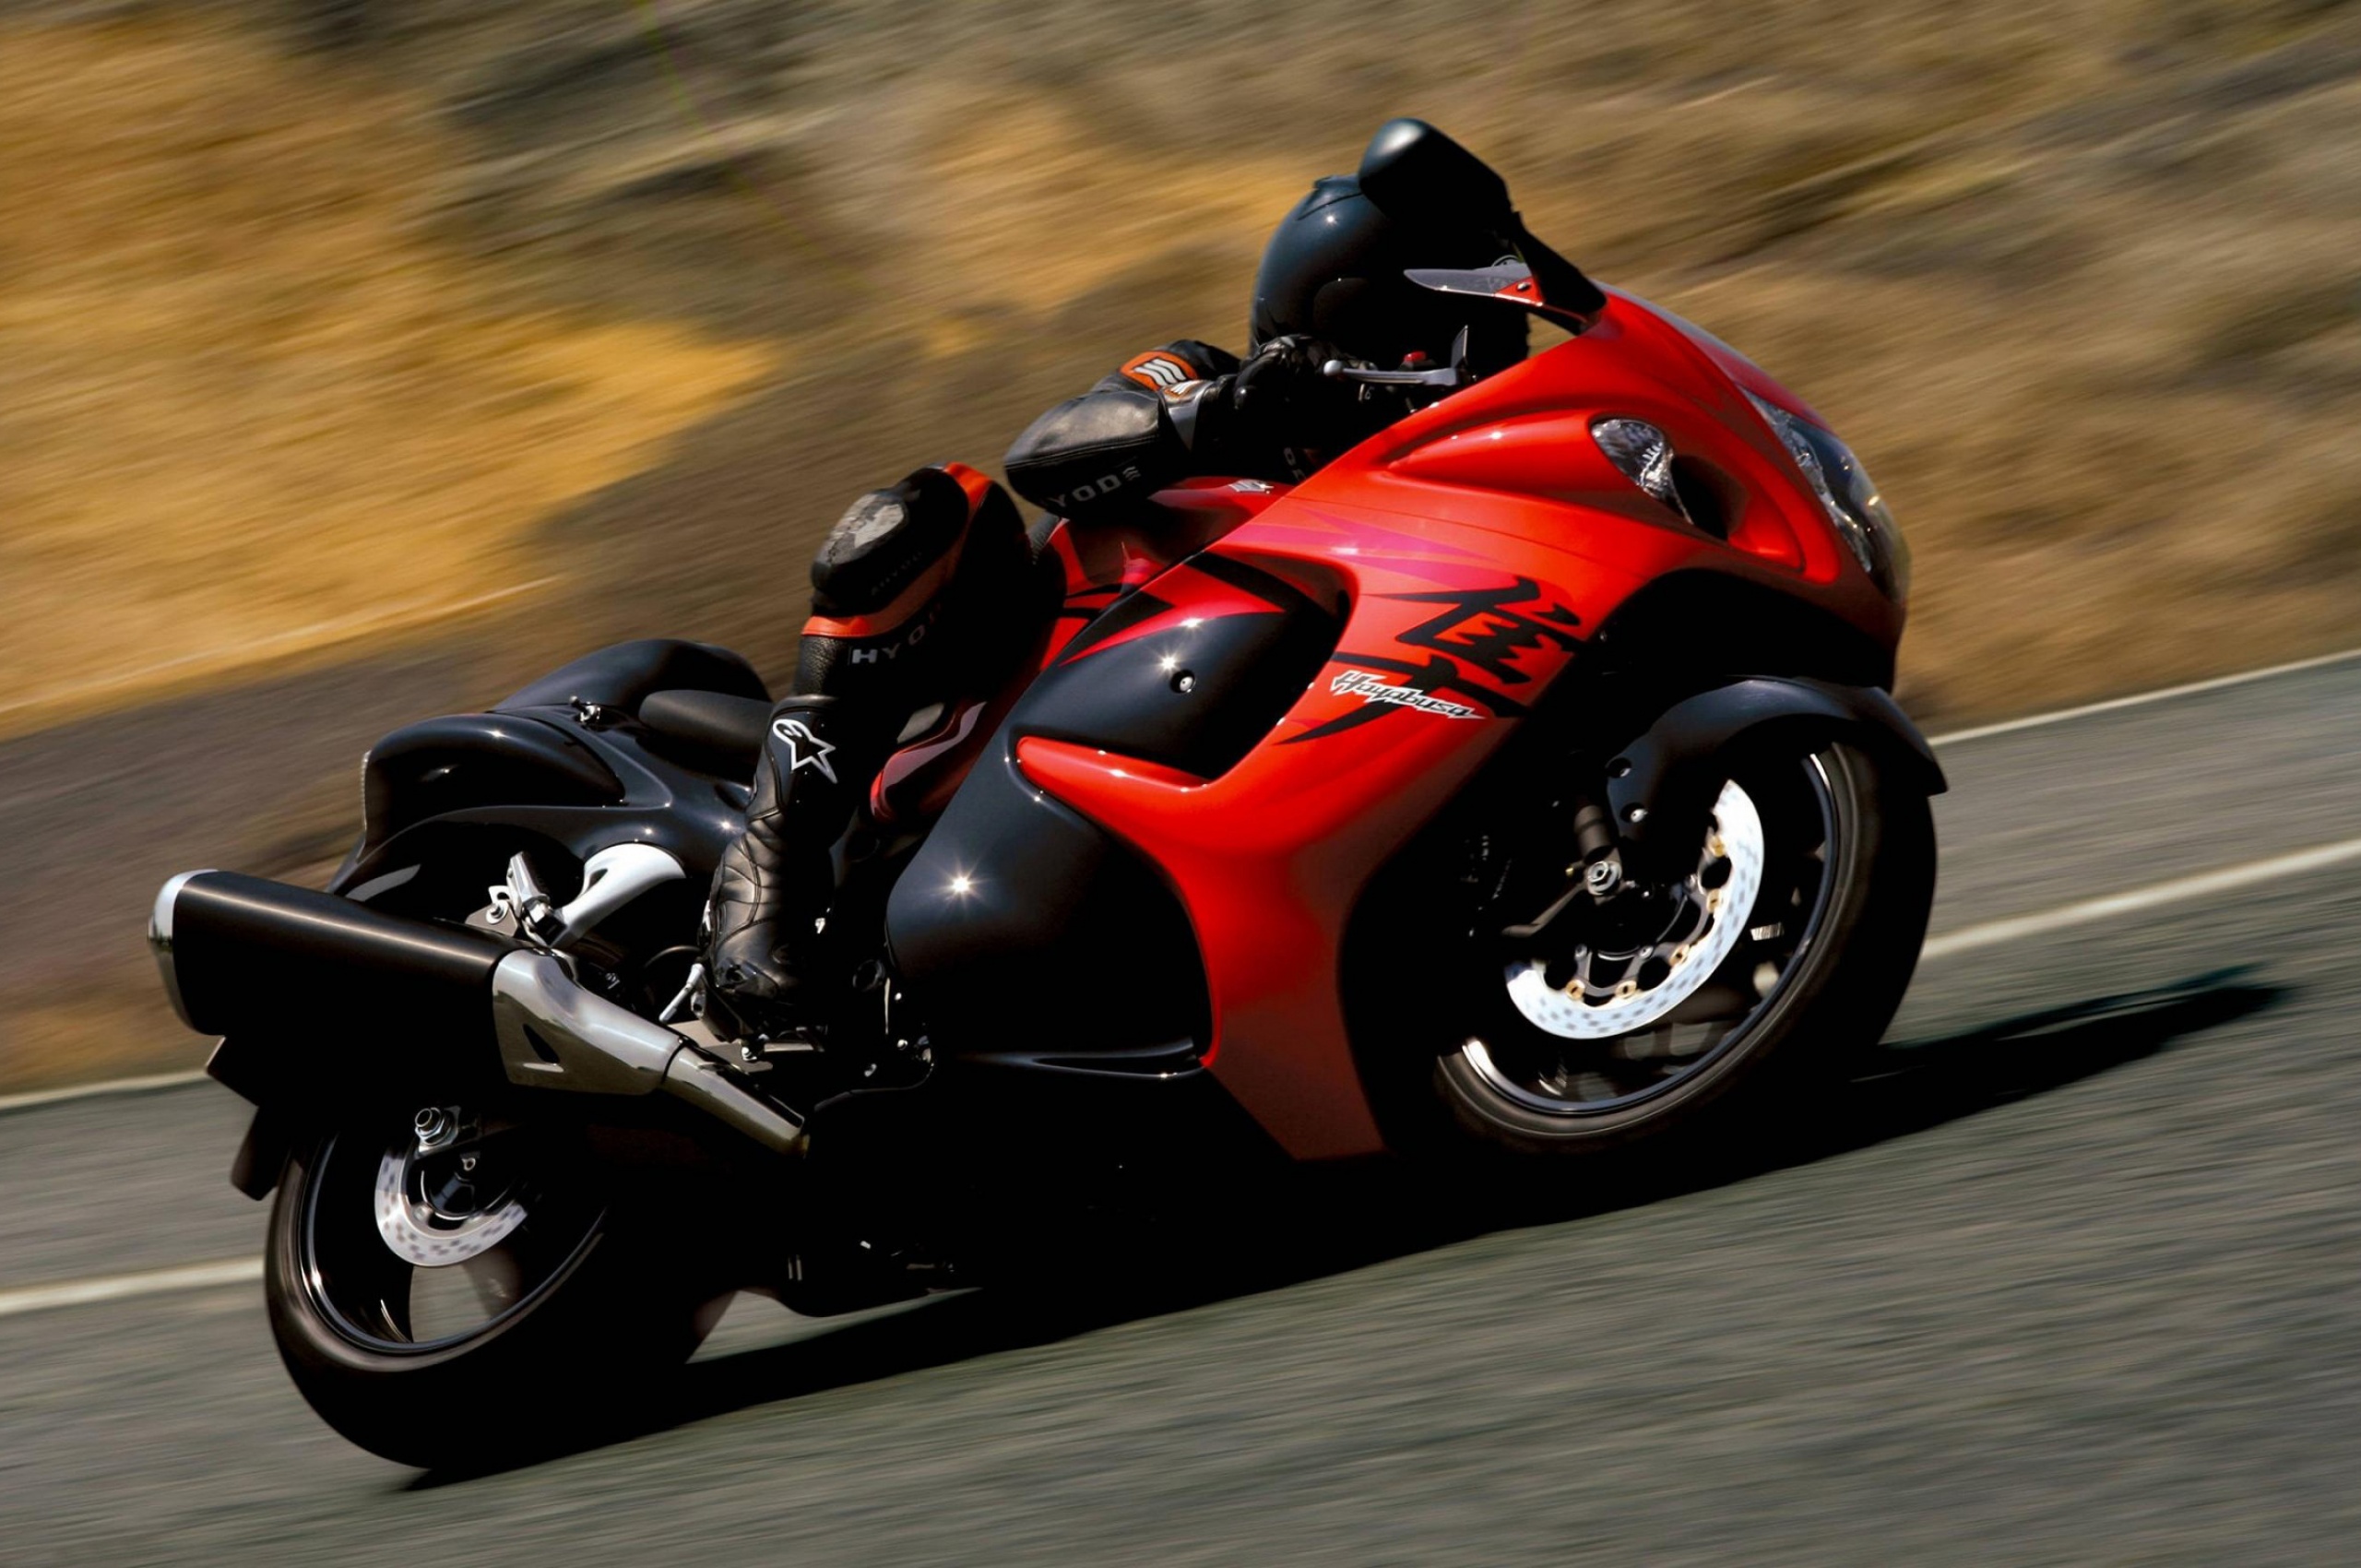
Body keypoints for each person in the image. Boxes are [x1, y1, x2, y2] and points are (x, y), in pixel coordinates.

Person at [698, 121, 1533, 1044]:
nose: (1488, 369)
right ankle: (762, 878)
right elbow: (1044, 454)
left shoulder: (1426, 505)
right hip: (990, 725)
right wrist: (1218, 414)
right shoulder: (1199, 375)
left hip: (1189, 810)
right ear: (1357, 320)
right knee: (942, 506)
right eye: (1460, 341)